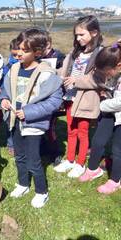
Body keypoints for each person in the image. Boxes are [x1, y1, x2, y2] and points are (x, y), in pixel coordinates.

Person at [0, 28, 62, 208]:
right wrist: (3, 99)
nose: (19, 53)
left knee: (34, 160)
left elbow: (54, 102)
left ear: (38, 52)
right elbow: (5, 90)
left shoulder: (47, 73)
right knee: (19, 156)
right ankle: (23, 184)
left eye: (24, 50)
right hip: (15, 121)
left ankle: (42, 192)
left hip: (33, 124)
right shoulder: (14, 69)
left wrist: (29, 112)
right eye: (19, 48)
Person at [53, 15, 103, 178]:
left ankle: (80, 163)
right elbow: (65, 70)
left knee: (82, 132)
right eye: (76, 35)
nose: (78, 38)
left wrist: (77, 81)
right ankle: (70, 160)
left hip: (85, 101)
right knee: (70, 130)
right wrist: (53, 73)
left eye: (82, 34)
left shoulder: (100, 54)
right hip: (70, 98)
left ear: (94, 32)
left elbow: (99, 80)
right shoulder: (75, 53)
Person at [79, 42, 121, 194]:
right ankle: (93, 169)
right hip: (110, 111)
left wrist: (102, 105)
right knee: (97, 141)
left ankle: (116, 180)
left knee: (118, 150)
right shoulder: (113, 70)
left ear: (119, 65)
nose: (106, 75)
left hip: (115, 112)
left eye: (107, 72)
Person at [40, 31, 66, 165]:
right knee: (41, 125)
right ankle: (43, 147)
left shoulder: (59, 58)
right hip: (41, 97)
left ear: (48, 44)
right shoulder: (38, 58)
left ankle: (55, 153)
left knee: (50, 127)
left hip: (54, 98)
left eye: (40, 47)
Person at [1, 38, 19, 156]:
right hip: (9, 100)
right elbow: (2, 84)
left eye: (19, 54)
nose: (17, 57)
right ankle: (11, 144)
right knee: (9, 124)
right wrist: (4, 98)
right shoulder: (8, 67)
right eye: (14, 55)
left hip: (21, 100)